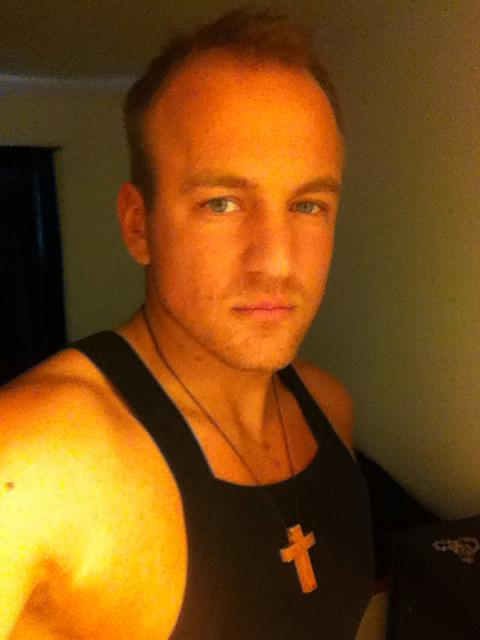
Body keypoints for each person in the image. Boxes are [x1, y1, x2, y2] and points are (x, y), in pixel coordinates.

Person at [0, 7, 374, 639]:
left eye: (308, 204)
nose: (278, 261)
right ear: (138, 226)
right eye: (221, 203)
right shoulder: (35, 462)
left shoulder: (330, 410)